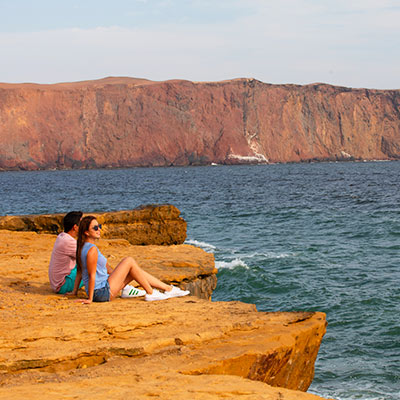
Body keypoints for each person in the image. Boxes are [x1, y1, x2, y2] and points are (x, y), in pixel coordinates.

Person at [73, 216, 190, 303]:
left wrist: (74, 292)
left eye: (99, 226)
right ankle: (151, 292)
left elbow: (79, 271)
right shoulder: (91, 249)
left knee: (134, 270)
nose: (98, 229)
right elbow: (91, 274)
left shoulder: (82, 247)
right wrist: (90, 299)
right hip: (101, 292)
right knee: (129, 260)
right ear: (86, 232)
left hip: (101, 289)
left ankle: (168, 289)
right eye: (95, 228)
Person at [48, 211, 85, 294]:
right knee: (93, 266)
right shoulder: (68, 242)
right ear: (75, 227)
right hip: (62, 285)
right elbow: (91, 257)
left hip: (57, 283)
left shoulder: (62, 236)